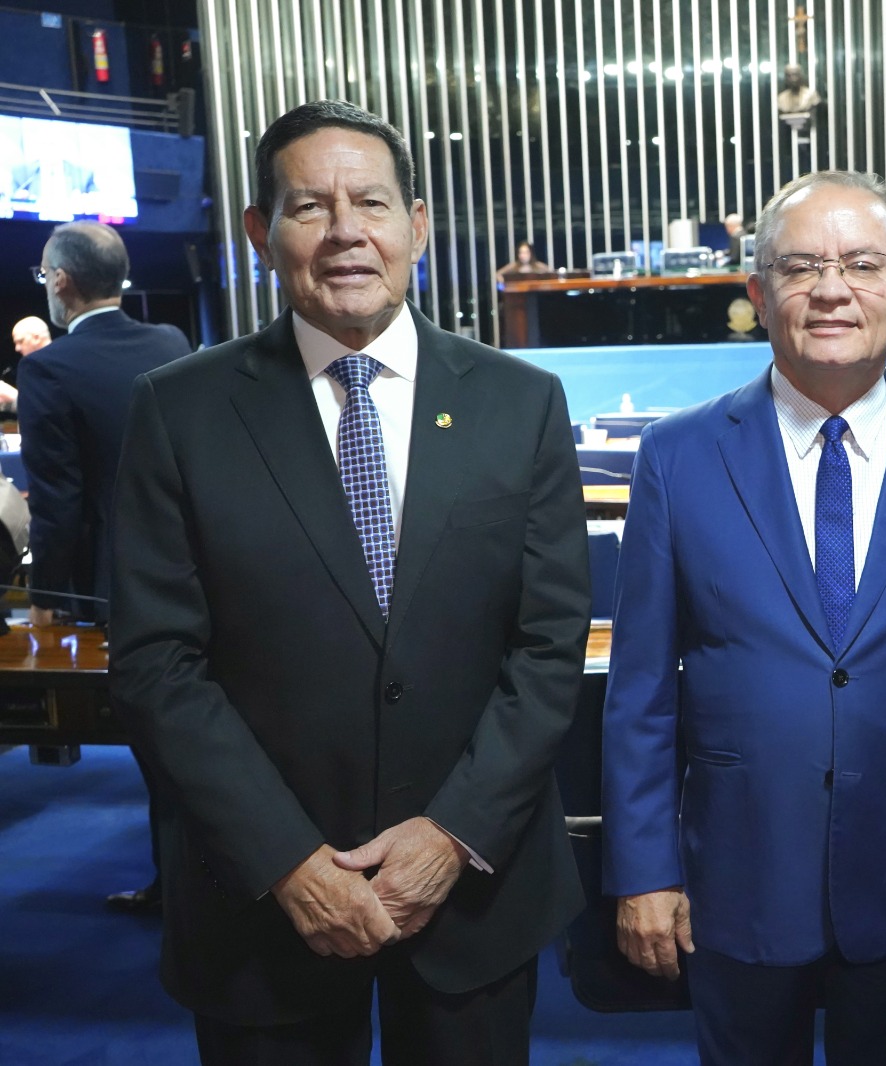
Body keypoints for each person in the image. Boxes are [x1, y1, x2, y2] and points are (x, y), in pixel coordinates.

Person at [109, 100, 590, 1065]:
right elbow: (158, 663)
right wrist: (287, 861)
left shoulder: (522, 402)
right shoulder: (178, 410)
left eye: (370, 202)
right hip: (261, 901)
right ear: (261, 233)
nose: (345, 232)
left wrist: (451, 835)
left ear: (417, 224)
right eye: (309, 206)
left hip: (473, 893)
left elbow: (547, 645)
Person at [602, 170, 886, 1065]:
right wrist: (643, 869)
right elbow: (640, 688)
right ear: (757, 292)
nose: (833, 289)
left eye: (864, 265)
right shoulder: (679, 455)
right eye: (801, 265)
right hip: (739, 872)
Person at [22, 222, 192, 914]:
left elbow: (58, 502)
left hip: (118, 589)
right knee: (189, 740)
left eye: (44, 276)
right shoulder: (171, 343)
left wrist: (45, 597)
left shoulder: (48, 368)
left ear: (62, 282)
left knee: (156, 745)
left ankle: (176, 894)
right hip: (200, 569)